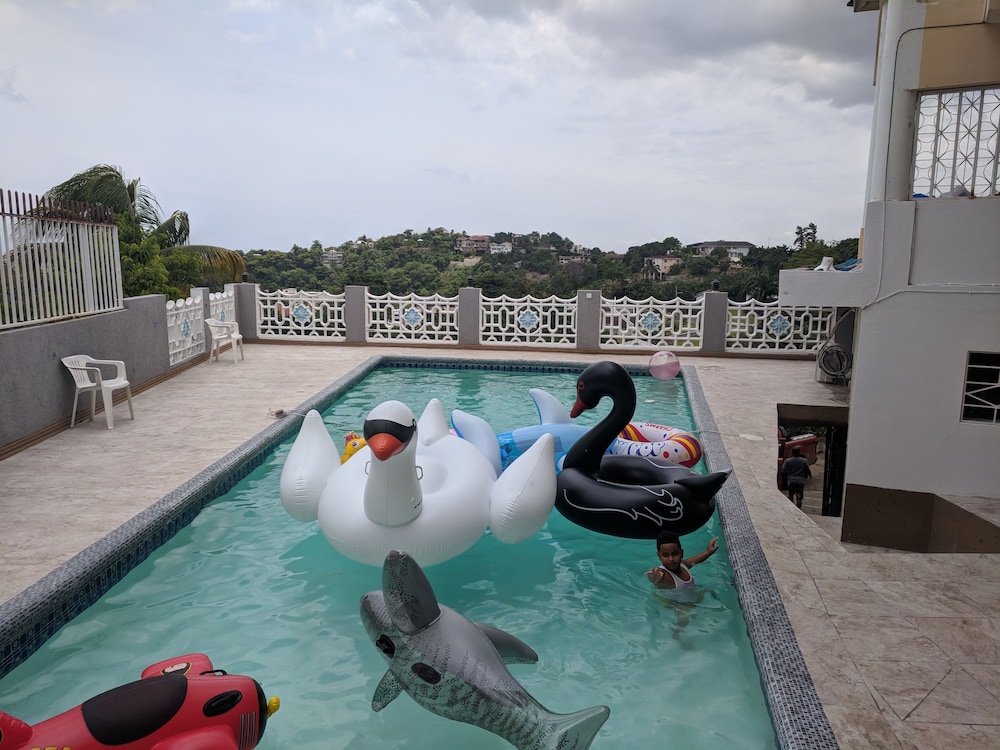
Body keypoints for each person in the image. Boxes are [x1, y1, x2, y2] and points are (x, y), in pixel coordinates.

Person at [645, 531, 718, 589]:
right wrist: (653, 575)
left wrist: (708, 552)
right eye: (665, 555)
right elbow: (655, 578)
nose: (671, 559)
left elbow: (694, 561)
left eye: (675, 554)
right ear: (659, 556)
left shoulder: (683, 565)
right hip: (677, 604)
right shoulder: (664, 575)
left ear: (681, 553)